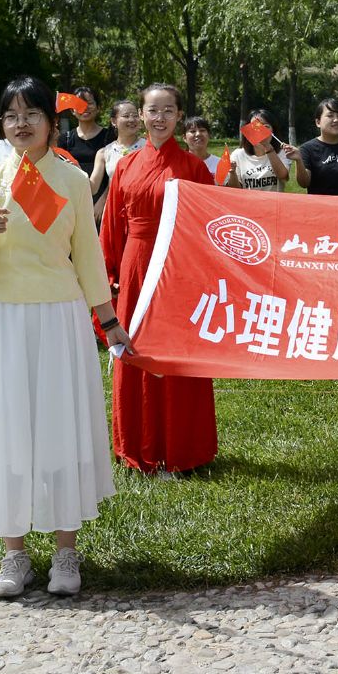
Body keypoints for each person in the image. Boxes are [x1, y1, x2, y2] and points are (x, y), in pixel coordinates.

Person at [0, 76, 126, 598]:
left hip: (58, 316)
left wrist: (110, 322)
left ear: (52, 123)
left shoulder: (72, 180)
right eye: (11, 116)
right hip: (2, 318)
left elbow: (89, 258)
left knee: (58, 427)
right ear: (1, 125)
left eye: (31, 114)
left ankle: (65, 552)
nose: (21, 123)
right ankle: (15, 555)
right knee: (6, 429)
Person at [100, 83, 218, 473]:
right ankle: (136, 445)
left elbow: (208, 229)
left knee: (177, 354)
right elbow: (112, 226)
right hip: (136, 266)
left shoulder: (194, 168)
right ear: (141, 115)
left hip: (178, 269)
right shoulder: (126, 166)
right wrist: (109, 275)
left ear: (179, 115)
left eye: (168, 110)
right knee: (135, 349)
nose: (160, 118)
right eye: (153, 110)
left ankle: (183, 447)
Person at [284, 98, 338, 197]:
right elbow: (304, 183)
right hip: (319, 206)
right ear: (318, 122)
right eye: (330, 116)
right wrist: (299, 161)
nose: (336, 120)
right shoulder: (307, 149)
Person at [88, 99, 143, 220]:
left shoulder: (149, 148)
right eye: (126, 116)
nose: (132, 119)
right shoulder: (104, 152)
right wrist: (75, 170)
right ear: (114, 121)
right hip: (114, 210)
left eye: (135, 116)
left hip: (141, 209)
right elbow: (93, 188)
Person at [224, 108, 291, 192]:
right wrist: (232, 173)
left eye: (266, 126)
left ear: (273, 131)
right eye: (255, 126)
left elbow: (283, 177)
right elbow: (235, 190)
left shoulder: (281, 152)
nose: (260, 130)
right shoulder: (238, 155)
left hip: (274, 200)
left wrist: (267, 146)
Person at [57, 86, 111, 182]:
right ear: (72, 110)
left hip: (105, 191)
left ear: (98, 108)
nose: (85, 107)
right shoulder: (65, 139)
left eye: (89, 103)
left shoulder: (109, 136)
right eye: (79, 104)